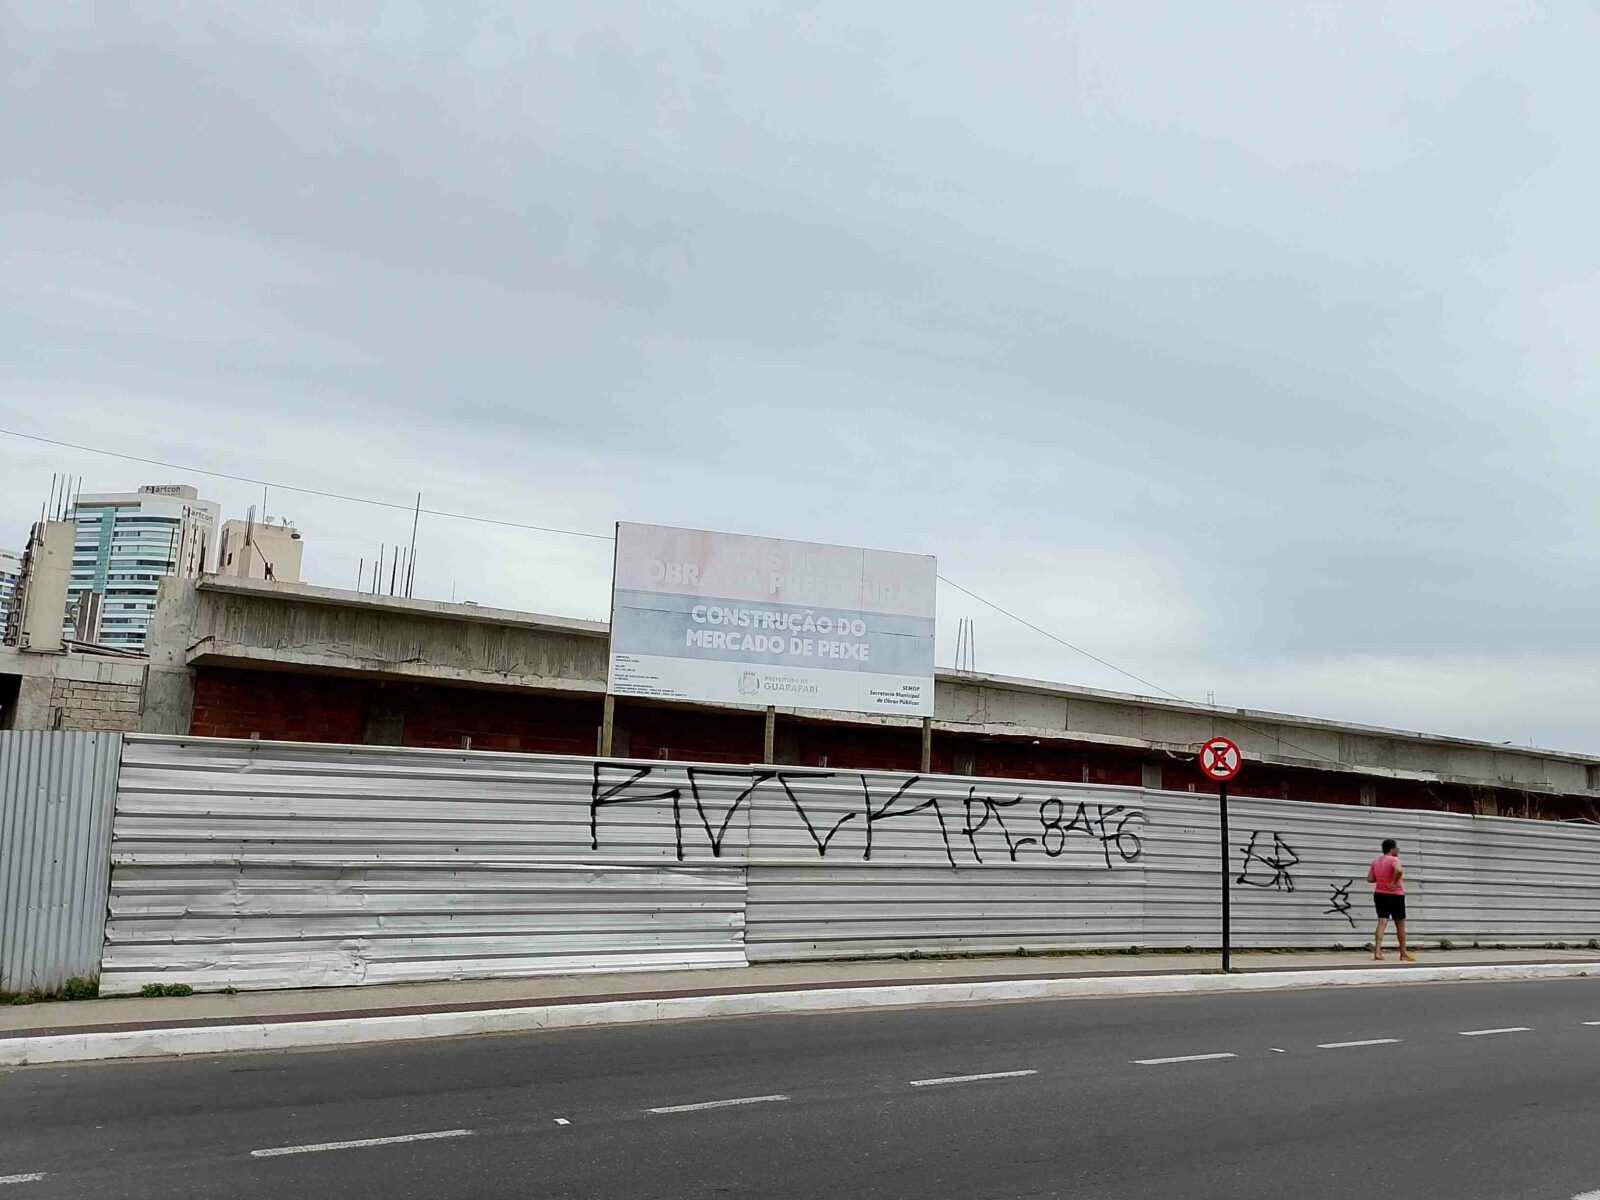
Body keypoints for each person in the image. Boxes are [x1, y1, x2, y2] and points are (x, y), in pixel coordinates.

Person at [1367, 838, 1414, 962]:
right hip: (1395, 895)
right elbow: (1399, 870)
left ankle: (1377, 952)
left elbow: (1370, 879)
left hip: (1380, 894)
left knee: (1382, 922)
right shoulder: (1394, 859)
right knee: (1400, 924)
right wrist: (1393, 882)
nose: (1398, 850)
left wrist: (1382, 878)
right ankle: (1403, 953)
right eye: (1396, 847)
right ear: (1392, 849)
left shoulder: (1375, 861)